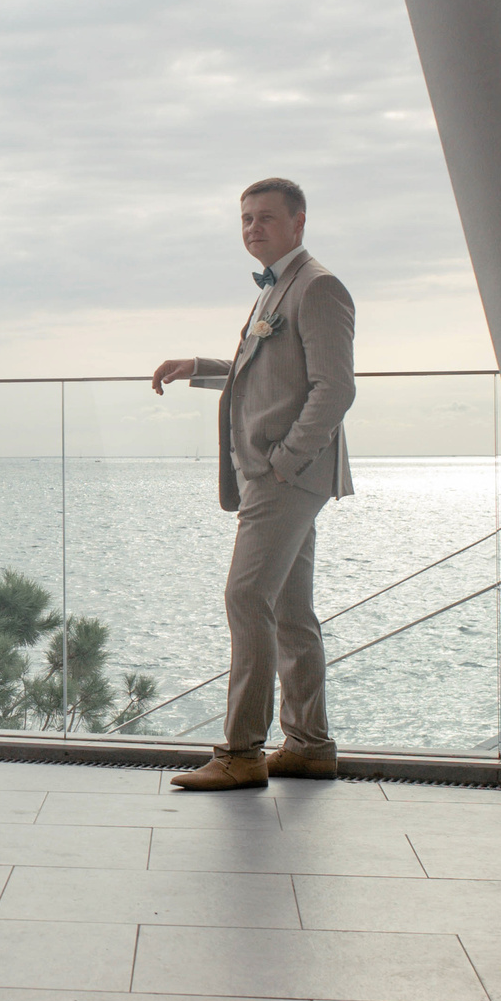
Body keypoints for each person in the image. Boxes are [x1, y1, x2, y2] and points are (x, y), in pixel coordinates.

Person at [149, 178, 356, 791]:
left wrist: (287, 460)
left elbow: (334, 388)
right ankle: (310, 745)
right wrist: (202, 368)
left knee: (246, 599)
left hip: (284, 475)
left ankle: (241, 752)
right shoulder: (278, 288)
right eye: (245, 219)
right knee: (290, 610)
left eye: (265, 218)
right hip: (277, 472)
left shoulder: (318, 287)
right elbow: (268, 374)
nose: (252, 228)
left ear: (298, 223)